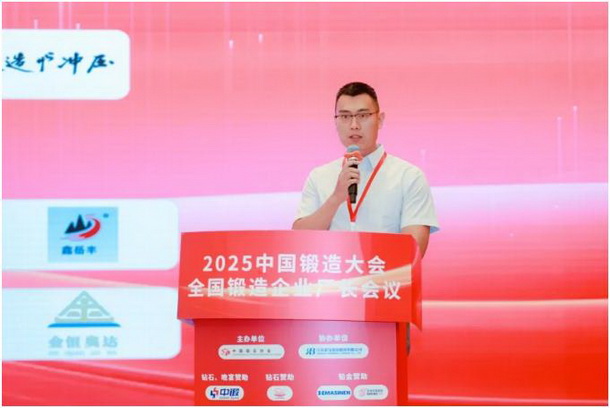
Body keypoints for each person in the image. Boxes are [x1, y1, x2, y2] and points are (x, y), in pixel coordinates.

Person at [292, 81, 439, 257]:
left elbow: (414, 250)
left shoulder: (408, 176)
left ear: (380, 119)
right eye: (345, 116)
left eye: (363, 115)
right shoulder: (319, 176)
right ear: (336, 122)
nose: (354, 125)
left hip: (384, 273)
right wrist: (336, 198)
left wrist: (366, 268)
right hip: (332, 273)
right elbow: (299, 240)